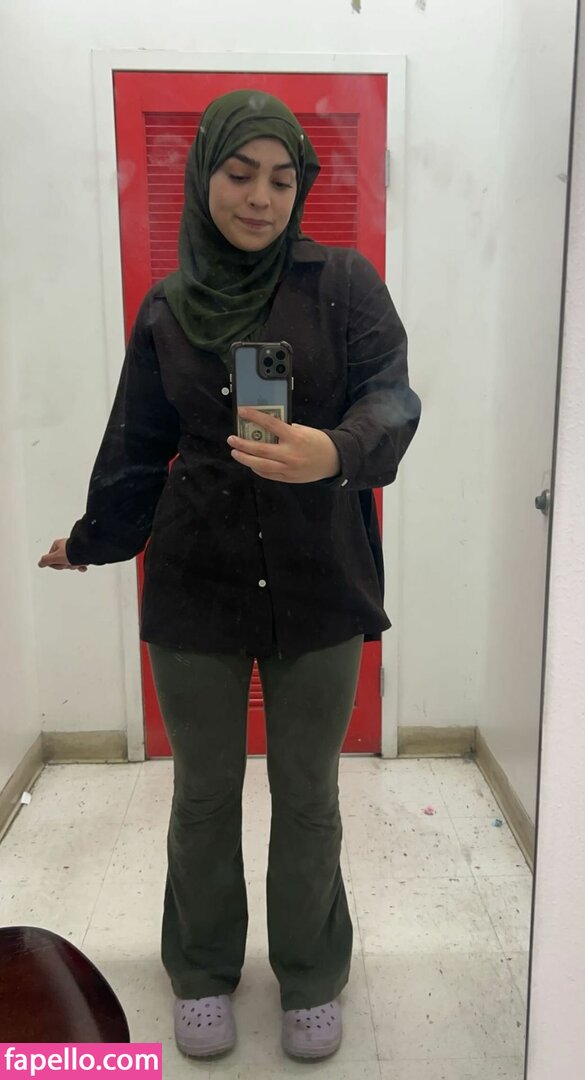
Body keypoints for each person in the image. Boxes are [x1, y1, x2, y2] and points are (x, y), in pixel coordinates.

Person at [39, 89, 421, 1061]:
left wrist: (335, 451)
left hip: (319, 577)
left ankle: (310, 974)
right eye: (240, 173)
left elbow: (393, 397)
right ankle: (203, 969)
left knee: (308, 794)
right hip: (197, 578)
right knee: (203, 793)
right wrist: (92, 537)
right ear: (203, 175)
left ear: (301, 189)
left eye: (282, 180)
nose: (260, 198)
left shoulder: (344, 284)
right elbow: (138, 444)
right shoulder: (169, 307)